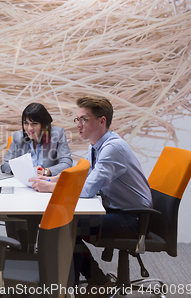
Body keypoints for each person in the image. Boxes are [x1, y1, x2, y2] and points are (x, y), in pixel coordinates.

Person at [30, 95, 152, 293]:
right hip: (117, 210)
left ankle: (84, 283)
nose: (78, 124)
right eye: (77, 119)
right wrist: (50, 180)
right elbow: (80, 177)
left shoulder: (113, 148)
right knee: (68, 223)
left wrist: (52, 188)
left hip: (132, 218)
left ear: (102, 121)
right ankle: (91, 280)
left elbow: (87, 190)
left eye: (83, 119)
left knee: (67, 226)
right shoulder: (96, 146)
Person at [1, 103, 72, 251]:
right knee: (12, 210)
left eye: (34, 124)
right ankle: (19, 250)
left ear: (44, 124)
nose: (29, 128)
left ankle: (43, 250)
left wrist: (46, 171)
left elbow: (67, 163)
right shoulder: (18, 137)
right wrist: (23, 169)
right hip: (24, 189)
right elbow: (5, 165)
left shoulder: (57, 135)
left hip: (46, 190)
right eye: (26, 123)